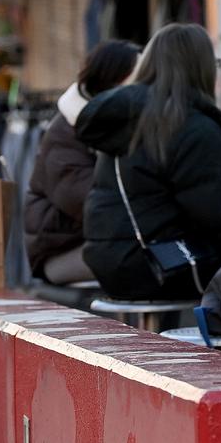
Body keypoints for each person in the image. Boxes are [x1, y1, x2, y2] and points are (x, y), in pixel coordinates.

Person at [77, 23, 221, 300]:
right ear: (202, 67)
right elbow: (218, 217)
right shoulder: (192, 127)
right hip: (159, 266)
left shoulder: (127, 117)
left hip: (111, 263)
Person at [24, 40, 140, 285]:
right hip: (61, 251)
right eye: (136, 80)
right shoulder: (66, 132)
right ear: (113, 81)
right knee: (153, 261)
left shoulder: (121, 123)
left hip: (104, 241)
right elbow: (89, 203)